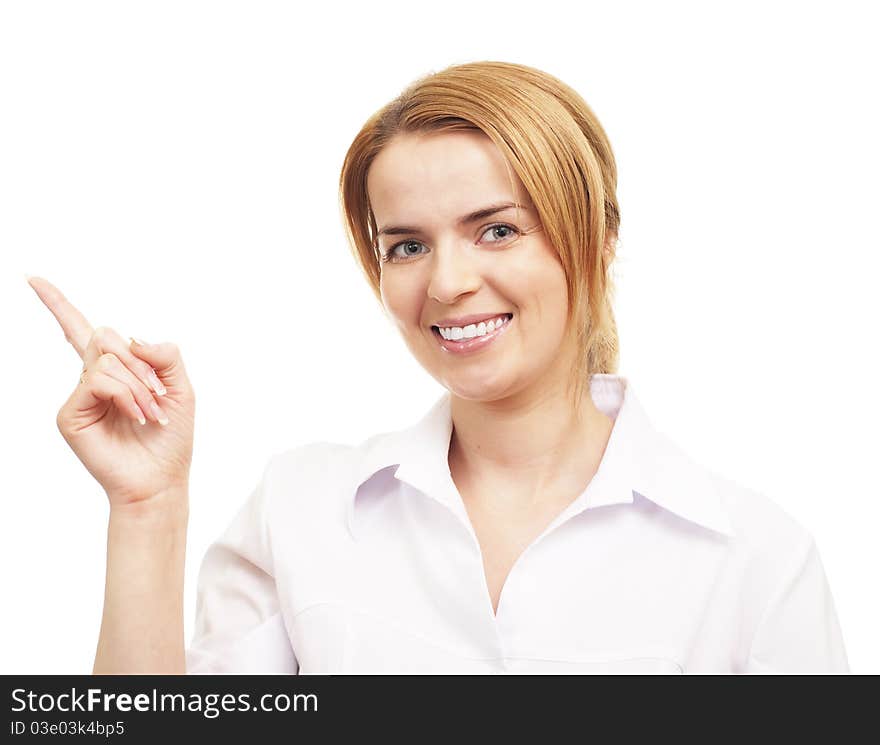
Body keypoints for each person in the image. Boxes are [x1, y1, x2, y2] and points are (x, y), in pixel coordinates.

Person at [28, 60, 849, 674]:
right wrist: (147, 508)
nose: (448, 283)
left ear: (598, 241)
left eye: (497, 229)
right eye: (408, 245)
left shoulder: (757, 559)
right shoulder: (301, 511)